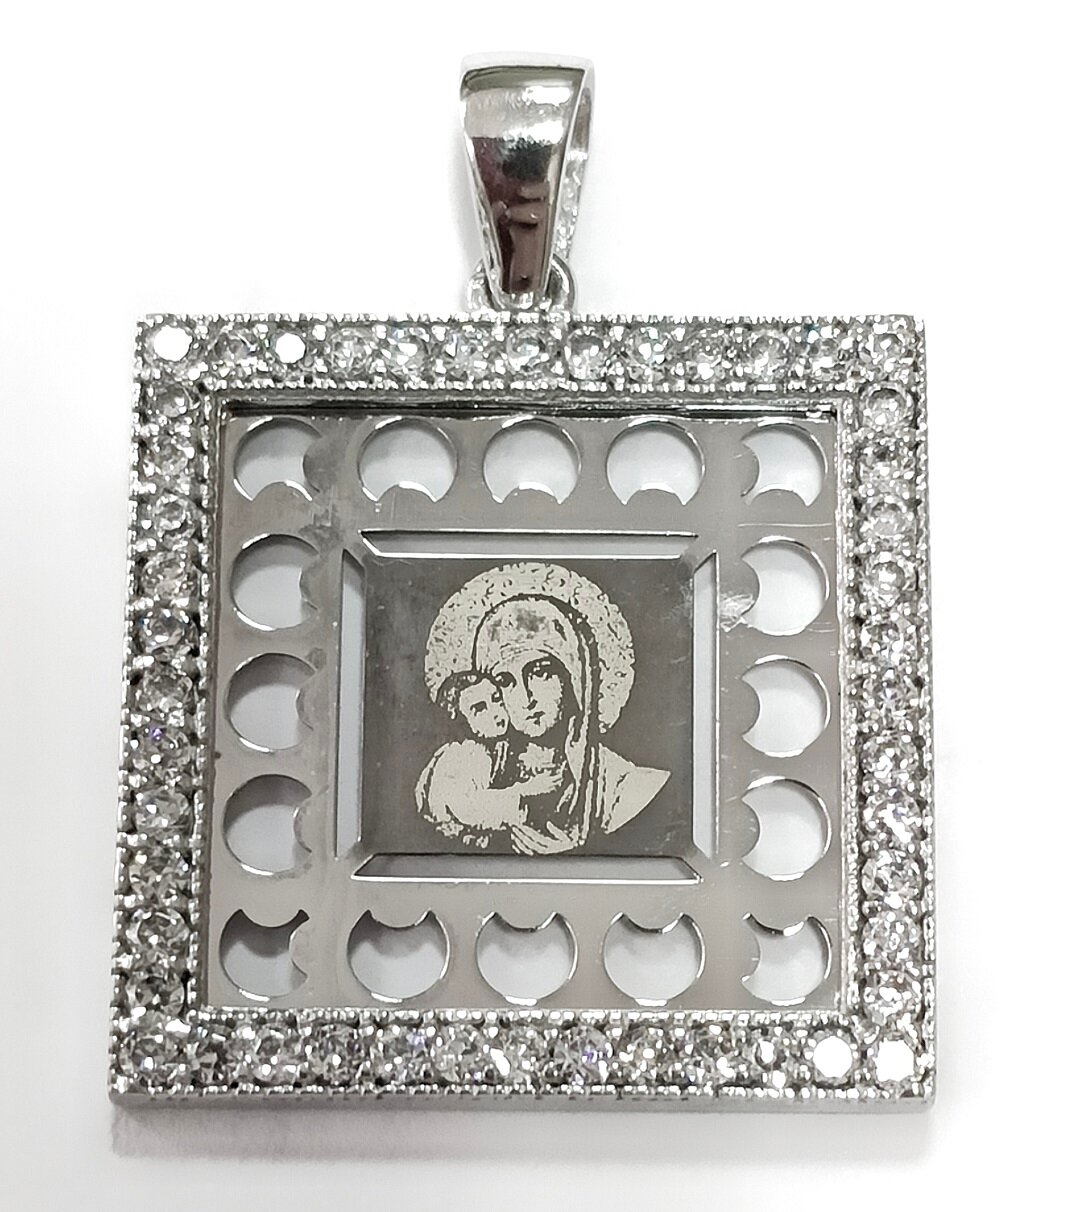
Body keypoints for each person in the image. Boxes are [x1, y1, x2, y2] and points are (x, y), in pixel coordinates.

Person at [414, 670, 563, 847]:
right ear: (460, 720)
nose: (496, 713)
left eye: (496, 700)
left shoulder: (498, 746)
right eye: (480, 709)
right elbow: (467, 807)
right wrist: (523, 790)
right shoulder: (465, 753)